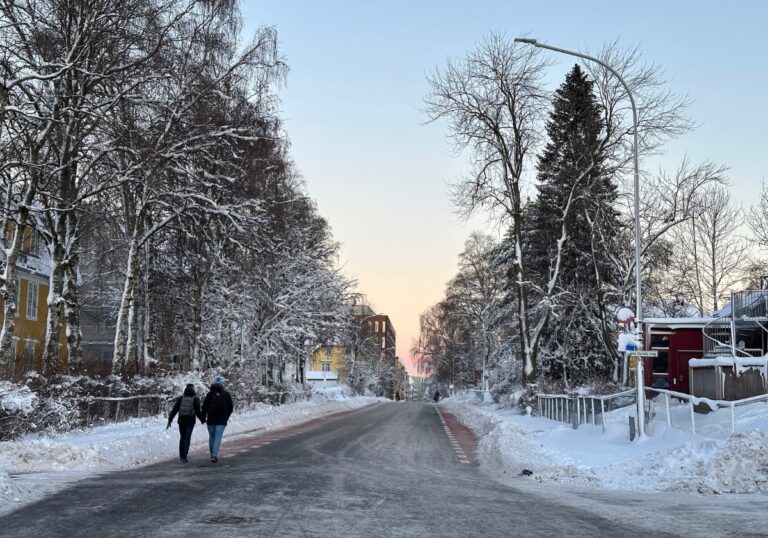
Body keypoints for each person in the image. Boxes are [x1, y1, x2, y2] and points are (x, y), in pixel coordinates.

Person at [167, 384, 205, 463]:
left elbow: (175, 409)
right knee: (187, 438)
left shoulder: (181, 398)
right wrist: (202, 419)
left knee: (182, 438)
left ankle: (181, 456)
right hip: (190, 421)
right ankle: (184, 456)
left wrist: (170, 419)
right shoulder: (195, 399)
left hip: (181, 421)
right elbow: (197, 411)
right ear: (193, 390)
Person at [202, 375, 233, 463]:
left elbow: (204, 407)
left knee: (211, 437)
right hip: (221, 420)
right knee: (218, 437)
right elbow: (230, 408)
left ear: (214, 383)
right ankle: (214, 455)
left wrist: (203, 417)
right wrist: (226, 417)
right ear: (222, 383)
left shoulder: (210, 394)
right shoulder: (226, 394)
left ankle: (212, 454)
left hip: (211, 419)